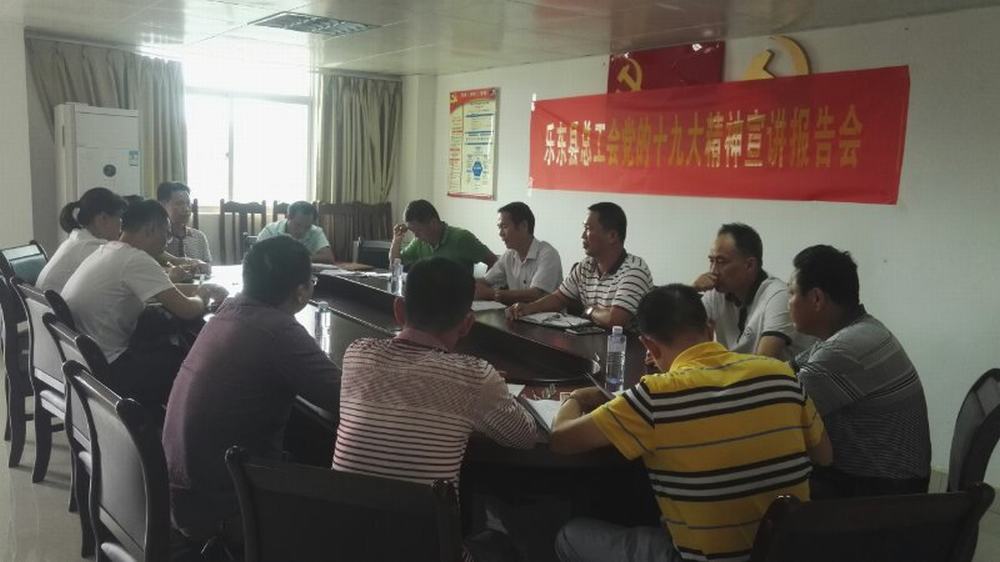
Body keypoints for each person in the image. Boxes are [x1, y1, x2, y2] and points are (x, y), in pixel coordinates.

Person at [548, 284, 832, 562]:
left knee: (569, 535)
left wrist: (575, 398)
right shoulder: (781, 373)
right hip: (792, 552)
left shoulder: (655, 395)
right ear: (710, 329)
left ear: (648, 345)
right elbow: (824, 455)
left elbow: (561, 440)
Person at [333, 256, 538, 561]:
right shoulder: (475, 376)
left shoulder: (357, 355)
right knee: (504, 544)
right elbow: (525, 437)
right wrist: (495, 388)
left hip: (343, 548)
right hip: (429, 553)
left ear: (399, 309)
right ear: (467, 324)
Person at [164, 236, 341, 553]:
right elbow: (344, 398)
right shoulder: (278, 329)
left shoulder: (228, 310)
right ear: (302, 291)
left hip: (182, 488)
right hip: (222, 504)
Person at [788, 245, 931, 498]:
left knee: (764, 478)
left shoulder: (843, 351)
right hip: (892, 482)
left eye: (791, 292)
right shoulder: (862, 329)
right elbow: (787, 371)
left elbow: (778, 408)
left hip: (881, 495)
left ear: (817, 299)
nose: (787, 302)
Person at [62, 200, 228, 405]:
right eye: (166, 234)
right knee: (189, 360)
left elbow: (164, 290)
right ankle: (180, 419)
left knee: (160, 328)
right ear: (151, 229)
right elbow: (187, 310)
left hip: (86, 361)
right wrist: (203, 294)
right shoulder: (136, 259)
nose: (167, 241)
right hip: (110, 369)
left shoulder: (109, 249)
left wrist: (204, 289)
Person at [507, 202, 653, 329]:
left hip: (623, 349)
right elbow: (559, 298)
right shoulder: (586, 265)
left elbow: (615, 320)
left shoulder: (634, 271)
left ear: (612, 236)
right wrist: (529, 308)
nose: (583, 236)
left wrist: (589, 311)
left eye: (588, 229)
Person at [692, 223, 809, 360]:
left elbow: (763, 361)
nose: (713, 271)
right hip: (736, 371)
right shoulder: (716, 293)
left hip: (776, 373)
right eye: (711, 261)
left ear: (750, 265)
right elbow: (677, 335)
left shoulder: (778, 295)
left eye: (721, 261)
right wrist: (692, 291)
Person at [37, 187, 127, 293]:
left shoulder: (78, 239)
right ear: (102, 219)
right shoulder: (93, 248)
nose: (121, 226)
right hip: (55, 302)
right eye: (119, 218)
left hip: (45, 301)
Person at [474, 202, 562, 304]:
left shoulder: (548, 254)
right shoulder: (509, 255)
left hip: (546, 314)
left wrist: (493, 294)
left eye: (504, 227)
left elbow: (536, 295)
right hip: (517, 312)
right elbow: (486, 281)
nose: (500, 233)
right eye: (499, 227)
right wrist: (468, 285)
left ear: (523, 226)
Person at [389, 199, 497, 273]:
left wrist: (484, 287)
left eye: (419, 230)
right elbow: (395, 266)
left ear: (433, 223)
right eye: (413, 232)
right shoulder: (419, 242)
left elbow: (494, 262)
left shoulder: (461, 238)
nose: (416, 236)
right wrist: (396, 240)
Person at [257, 201, 335, 263]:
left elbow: (328, 257)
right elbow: (256, 255)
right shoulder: (271, 230)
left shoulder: (316, 231)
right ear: (288, 217)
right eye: (298, 225)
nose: (302, 231)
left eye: (307, 227)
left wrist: (298, 258)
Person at [156, 181, 213, 264]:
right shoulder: (155, 239)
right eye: (179, 204)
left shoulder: (199, 237)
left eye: (188, 203)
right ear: (162, 205)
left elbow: (207, 267)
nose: (186, 209)